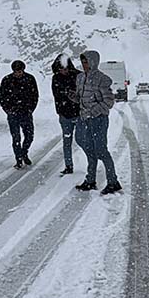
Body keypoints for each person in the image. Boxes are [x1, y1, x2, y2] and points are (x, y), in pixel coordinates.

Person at [75, 49, 122, 194]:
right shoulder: (80, 78)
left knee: (101, 150)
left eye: (86, 62)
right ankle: (90, 180)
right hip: (85, 119)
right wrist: (74, 98)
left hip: (98, 120)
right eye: (83, 62)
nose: (84, 65)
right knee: (89, 150)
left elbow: (108, 101)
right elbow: (80, 98)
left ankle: (113, 182)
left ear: (93, 62)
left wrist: (94, 111)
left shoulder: (102, 79)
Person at [0, 59, 39, 168]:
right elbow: (1, 97)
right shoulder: (7, 80)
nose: (18, 74)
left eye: (20, 71)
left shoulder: (30, 79)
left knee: (29, 136)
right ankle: (19, 158)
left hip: (26, 112)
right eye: (16, 72)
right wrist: (7, 110)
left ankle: (24, 152)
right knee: (16, 137)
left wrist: (30, 109)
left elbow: (35, 95)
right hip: (13, 113)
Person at [51, 54, 82, 175]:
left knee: (82, 140)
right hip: (65, 115)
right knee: (67, 141)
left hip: (78, 114)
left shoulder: (79, 76)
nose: (63, 71)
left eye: (65, 69)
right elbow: (56, 95)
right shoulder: (56, 78)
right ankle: (68, 165)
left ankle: (91, 163)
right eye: (61, 69)